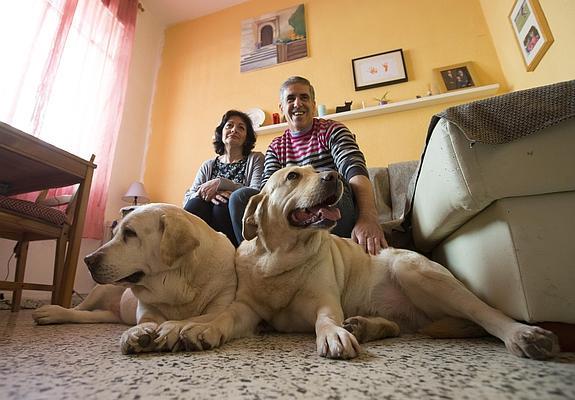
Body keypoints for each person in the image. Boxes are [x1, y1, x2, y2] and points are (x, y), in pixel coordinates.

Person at [229, 76, 387, 255]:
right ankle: (259, 258)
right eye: (290, 99)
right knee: (240, 197)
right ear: (282, 108)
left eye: (304, 97)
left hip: (332, 205)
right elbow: (267, 190)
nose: (297, 103)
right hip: (293, 214)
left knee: (335, 178)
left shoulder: (333, 130)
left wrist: (368, 218)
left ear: (313, 105)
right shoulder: (276, 146)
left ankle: (328, 259)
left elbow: (355, 170)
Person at [183, 110, 264, 246]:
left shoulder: (256, 159)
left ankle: (228, 253)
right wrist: (207, 194)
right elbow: (189, 196)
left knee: (222, 205)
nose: (234, 130)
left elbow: (256, 191)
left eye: (241, 127)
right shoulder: (208, 165)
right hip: (205, 219)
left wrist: (221, 183)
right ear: (221, 133)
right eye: (229, 125)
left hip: (234, 222)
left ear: (247, 137)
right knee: (195, 204)